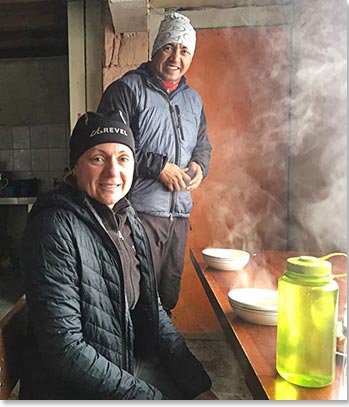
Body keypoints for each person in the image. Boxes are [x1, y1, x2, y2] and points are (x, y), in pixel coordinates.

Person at [19, 111, 218, 400]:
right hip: (68, 388)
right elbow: (65, 349)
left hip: (121, 364)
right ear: (75, 167)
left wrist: (198, 384)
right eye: (98, 158)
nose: (113, 172)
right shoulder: (53, 228)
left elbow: (153, 310)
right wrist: (148, 398)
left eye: (123, 158)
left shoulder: (125, 216)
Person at [97, 12, 212, 315]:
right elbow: (109, 147)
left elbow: (202, 145)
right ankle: (133, 359)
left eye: (184, 50)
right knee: (136, 294)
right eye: (169, 47)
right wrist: (158, 166)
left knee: (168, 295)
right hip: (138, 212)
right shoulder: (126, 90)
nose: (176, 57)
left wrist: (201, 164)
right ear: (156, 48)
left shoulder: (193, 100)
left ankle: (162, 356)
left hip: (178, 215)